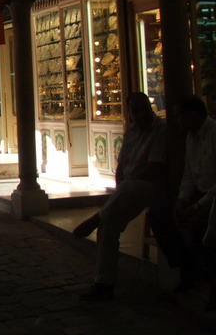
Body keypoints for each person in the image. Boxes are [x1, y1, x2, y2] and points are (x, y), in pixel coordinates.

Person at [78, 91, 169, 301]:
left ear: (150, 107)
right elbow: (121, 166)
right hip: (128, 190)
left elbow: (154, 168)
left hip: (151, 187)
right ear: (130, 113)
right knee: (108, 225)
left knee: (131, 187)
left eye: (144, 109)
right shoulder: (131, 133)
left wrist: (126, 184)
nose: (141, 115)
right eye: (136, 111)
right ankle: (103, 283)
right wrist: (120, 187)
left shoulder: (160, 130)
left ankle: (97, 216)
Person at [171, 95, 216, 306]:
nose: (177, 121)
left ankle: (210, 281)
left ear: (193, 115)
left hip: (212, 197)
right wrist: (181, 200)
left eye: (179, 116)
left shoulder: (214, 134)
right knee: (162, 216)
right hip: (200, 193)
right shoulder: (190, 138)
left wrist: (197, 206)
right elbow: (189, 174)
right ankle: (189, 273)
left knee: (198, 225)